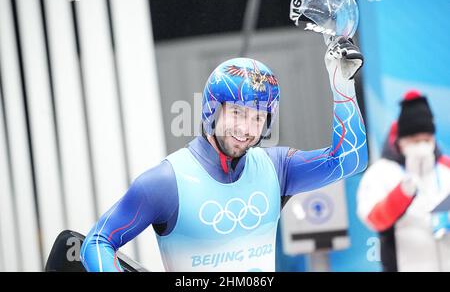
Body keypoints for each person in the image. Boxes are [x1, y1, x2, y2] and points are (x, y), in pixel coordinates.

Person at [80, 36, 368, 272]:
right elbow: (97, 241)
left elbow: (350, 159)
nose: (246, 128)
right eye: (237, 113)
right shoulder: (165, 182)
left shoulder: (277, 167)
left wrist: (342, 85)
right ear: (211, 111)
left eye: (258, 118)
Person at [357, 90, 450, 272]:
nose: (422, 145)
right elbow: (373, 218)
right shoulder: (380, 173)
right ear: (401, 140)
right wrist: (403, 193)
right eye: (415, 140)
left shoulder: (445, 168)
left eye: (426, 139)